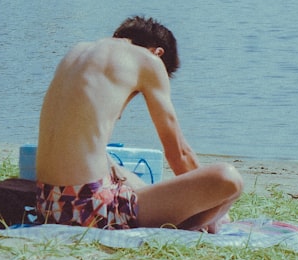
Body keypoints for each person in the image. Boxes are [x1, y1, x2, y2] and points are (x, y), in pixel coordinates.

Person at [34, 16, 242, 232]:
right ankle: (199, 225)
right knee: (229, 179)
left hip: (48, 205)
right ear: (157, 52)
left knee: (120, 170)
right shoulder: (148, 61)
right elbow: (179, 154)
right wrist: (213, 201)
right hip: (90, 210)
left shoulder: (78, 51)